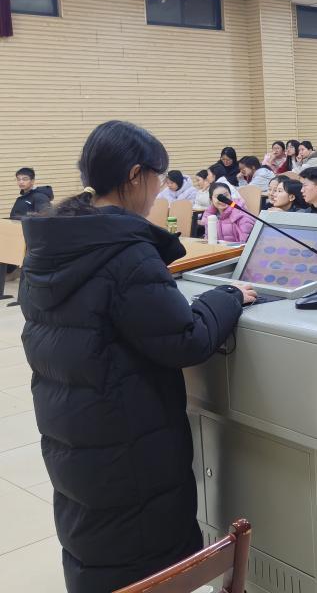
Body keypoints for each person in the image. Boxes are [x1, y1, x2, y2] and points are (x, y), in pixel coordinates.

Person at [17, 120, 256, 593]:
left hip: (74, 430)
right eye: (157, 177)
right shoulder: (126, 253)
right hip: (129, 439)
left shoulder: (51, 244)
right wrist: (227, 296)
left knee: (95, 537)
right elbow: (186, 339)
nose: (158, 189)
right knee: (144, 551)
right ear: (134, 175)